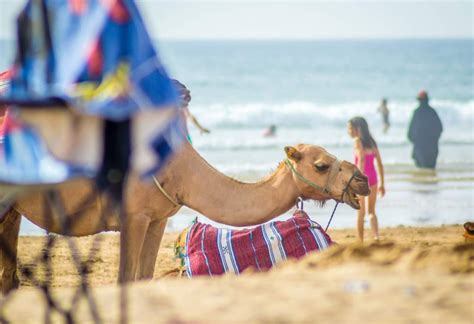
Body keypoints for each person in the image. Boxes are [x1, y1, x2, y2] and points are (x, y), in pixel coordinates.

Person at [348, 117, 385, 242]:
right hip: (373, 178)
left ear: (357, 129)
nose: (348, 131)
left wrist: (357, 179)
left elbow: (361, 160)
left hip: (363, 179)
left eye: (350, 128)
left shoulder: (357, 141)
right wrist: (382, 184)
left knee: (360, 213)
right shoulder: (372, 142)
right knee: (371, 211)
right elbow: (379, 163)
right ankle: (376, 236)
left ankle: (360, 241)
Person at [408, 90, 443, 169]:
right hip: (432, 147)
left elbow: (409, 134)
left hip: (419, 148)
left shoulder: (416, 112)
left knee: (421, 171)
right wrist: (434, 139)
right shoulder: (432, 112)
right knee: (430, 170)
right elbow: (440, 128)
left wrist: (415, 141)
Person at [172, 79, 210, 144]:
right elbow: (190, 116)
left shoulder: (175, 105)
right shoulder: (179, 105)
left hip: (178, 137)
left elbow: (190, 116)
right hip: (183, 137)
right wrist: (200, 128)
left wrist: (200, 128)